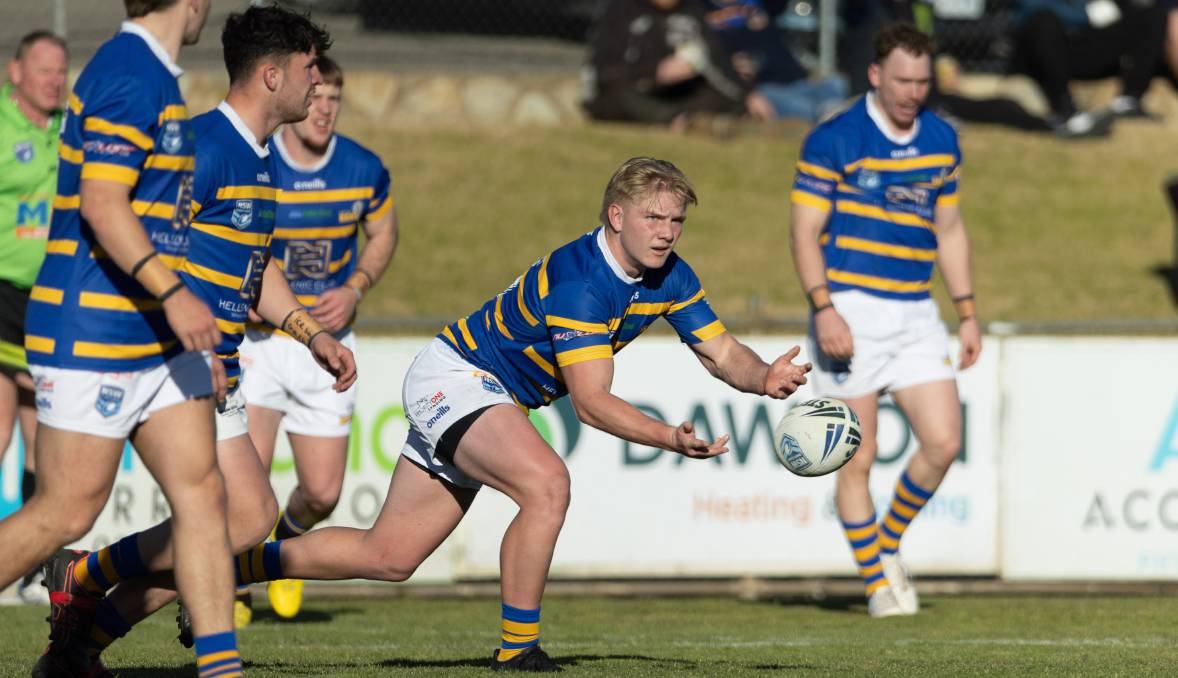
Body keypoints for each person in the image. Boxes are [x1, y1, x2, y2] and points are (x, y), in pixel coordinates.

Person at [224, 156, 811, 671]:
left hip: (487, 393)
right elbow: (592, 403)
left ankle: (230, 569)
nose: (666, 233)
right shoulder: (583, 280)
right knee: (547, 485)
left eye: (676, 220)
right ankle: (517, 649)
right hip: (459, 378)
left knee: (389, 557)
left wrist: (763, 377)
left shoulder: (671, 276)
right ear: (616, 216)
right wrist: (667, 438)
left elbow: (722, 351)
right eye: (653, 218)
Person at [32, 5, 351, 675]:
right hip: (167, 353)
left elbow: (254, 277)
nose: (318, 83)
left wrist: (310, 333)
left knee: (237, 517)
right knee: (101, 510)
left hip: (209, 361)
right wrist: (179, 308)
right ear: (271, 75)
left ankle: (79, 641)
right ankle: (88, 585)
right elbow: (143, 236)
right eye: (308, 68)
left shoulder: (260, 162)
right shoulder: (205, 145)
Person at [0, 0, 247, 676]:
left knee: (205, 493)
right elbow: (102, 204)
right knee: (65, 511)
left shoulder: (157, 76)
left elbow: (152, 219)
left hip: (154, 337)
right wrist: (176, 296)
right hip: (93, 329)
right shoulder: (130, 74)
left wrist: (179, 317)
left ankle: (222, 669)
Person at [788, 23, 981, 618]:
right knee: (858, 456)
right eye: (902, 78)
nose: (912, 91)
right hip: (850, 308)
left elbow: (947, 230)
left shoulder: (942, 140)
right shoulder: (834, 139)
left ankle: (886, 542)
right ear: (875, 75)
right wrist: (824, 307)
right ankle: (879, 587)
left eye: (923, 80)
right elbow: (804, 232)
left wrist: (967, 312)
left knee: (945, 442)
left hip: (915, 310)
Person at [237, 54, 398, 624]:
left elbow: (383, 234)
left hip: (328, 346)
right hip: (261, 343)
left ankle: (276, 549)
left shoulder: (363, 168)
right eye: (318, 96)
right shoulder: (260, 164)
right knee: (244, 490)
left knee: (324, 493)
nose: (324, 109)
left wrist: (355, 286)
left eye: (335, 99)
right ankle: (235, 581)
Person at [0, 29, 67, 604]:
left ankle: (28, 566)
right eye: (43, 70)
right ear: (14, 72)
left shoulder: (70, 131)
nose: (54, 80)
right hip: (2, 292)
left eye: (60, 71)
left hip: (52, 298)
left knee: (42, 437)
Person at [583, 0, 774, 130]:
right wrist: (656, 72)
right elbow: (604, 70)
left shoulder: (691, 11)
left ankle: (690, 120)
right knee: (621, 95)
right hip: (633, 90)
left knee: (722, 96)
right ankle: (678, 121)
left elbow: (718, 58)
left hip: (677, 95)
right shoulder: (622, 10)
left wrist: (748, 93)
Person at [1013, 0, 1165, 137]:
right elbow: (1030, 9)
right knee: (1043, 21)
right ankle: (1066, 112)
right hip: (1047, 48)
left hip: (1086, 42)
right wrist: (1086, 14)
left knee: (1151, 12)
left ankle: (1129, 102)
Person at [703, 0, 848, 123]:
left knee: (836, 81)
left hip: (799, 81)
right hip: (765, 87)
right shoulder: (703, 10)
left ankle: (833, 113)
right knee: (806, 108)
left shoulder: (761, 4)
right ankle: (831, 119)